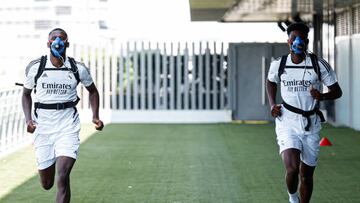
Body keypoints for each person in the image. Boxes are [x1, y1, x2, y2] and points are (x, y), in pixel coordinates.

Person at [22, 28, 104, 203]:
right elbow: (26, 94)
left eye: (61, 38)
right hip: (43, 127)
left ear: (67, 43)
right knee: (47, 183)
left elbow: (93, 91)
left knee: (63, 175)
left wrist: (95, 116)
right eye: (54, 38)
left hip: (67, 126)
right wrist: (28, 119)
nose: (57, 41)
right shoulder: (36, 67)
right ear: (48, 43)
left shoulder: (77, 68)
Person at [266, 22, 342, 203]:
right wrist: (272, 104)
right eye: (294, 38)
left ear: (307, 41)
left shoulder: (318, 64)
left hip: (311, 123)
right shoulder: (280, 64)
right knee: (292, 168)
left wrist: (321, 96)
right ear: (288, 42)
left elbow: (337, 91)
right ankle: (293, 197)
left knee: (306, 175)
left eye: (301, 39)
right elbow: (270, 81)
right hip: (287, 121)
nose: (297, 42)